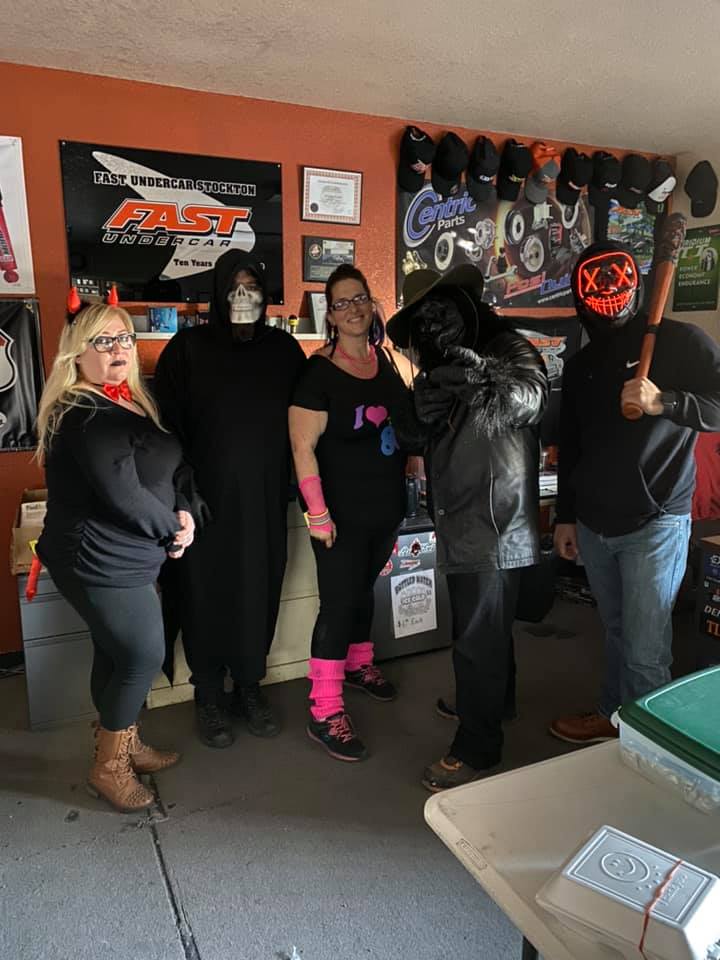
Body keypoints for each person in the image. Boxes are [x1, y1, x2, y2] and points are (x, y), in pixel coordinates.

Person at [550, 241, 720, 745]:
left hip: (656, 522)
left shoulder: (682, 342)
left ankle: (650, 753)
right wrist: (566, 516)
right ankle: (613, 716)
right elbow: (573, 445)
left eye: (615, 278)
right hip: (594, 523)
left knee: (646, 651)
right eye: (595, 282)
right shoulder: (581, 364)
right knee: (618, 632)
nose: (607, 290)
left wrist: (664, 401)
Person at [387, 264, 548, 791]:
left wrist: (487, 382)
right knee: (484, 626)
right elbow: (416, 437)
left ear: (465, 303)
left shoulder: (507, 347)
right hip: (462, 516)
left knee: (477, 635)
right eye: (423, 320)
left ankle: (477, 746)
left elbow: (530, 398)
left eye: (441, 311)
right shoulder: (435, 368)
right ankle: (495, 705)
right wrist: (416, 412)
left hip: (494, 518)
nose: (433, 326)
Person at [36, 301, 193, 812]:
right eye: (102, 341)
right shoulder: (84, 413)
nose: (117, 349)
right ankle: (110, 766)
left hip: (133, 553)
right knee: (141, 655)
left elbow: (168, 467)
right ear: (76, 354)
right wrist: (173, 530)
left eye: (124, 338)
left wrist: (185, 510)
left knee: (114, 652)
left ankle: (123, 738)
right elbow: (123, 493)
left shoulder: (131, 401)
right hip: (98, 558)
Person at [153, 251, 305, 748]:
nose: (243, 297)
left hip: (264, 502)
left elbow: (310, 420)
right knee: (203, 595)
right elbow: (164, 429)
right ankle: (208, 694)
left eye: (252, 287)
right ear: (218, 293)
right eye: (234, 287)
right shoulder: (187, 350)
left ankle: (248, 686)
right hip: (202, 504)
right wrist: (181, 493)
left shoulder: (284, 351)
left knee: (259, 591)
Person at [289, 265, 415, 761]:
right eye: (341, 302)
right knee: (339, 603)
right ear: (330, 315)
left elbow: (406, 421)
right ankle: (324, 708)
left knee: (364, 590)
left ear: (372, 302)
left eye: (360, 298)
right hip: (338, 515)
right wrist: (317, 514)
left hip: (385, 507)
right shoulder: (317, 373)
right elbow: (302, 447)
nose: (353, 309)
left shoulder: (388, 361)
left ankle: (360, 663)